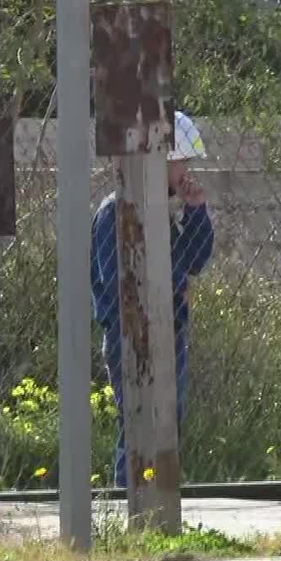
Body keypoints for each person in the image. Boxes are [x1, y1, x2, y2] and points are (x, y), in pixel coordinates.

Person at [90, 111, 215, 488]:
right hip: (132, 332)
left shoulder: (161, 211)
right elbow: (117, 277)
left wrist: (195, 213)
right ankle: (131, 496)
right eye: (182, 163)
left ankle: (157, 491)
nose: (187, 171)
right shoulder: (116, 211)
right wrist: (175, 285)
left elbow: (195, 260)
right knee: (139, 419)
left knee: (167, 420)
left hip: (170, 329)